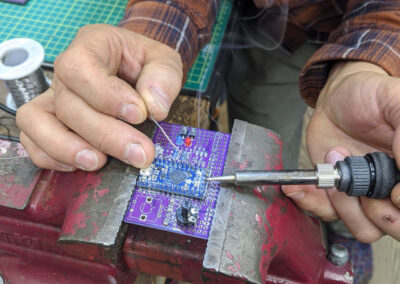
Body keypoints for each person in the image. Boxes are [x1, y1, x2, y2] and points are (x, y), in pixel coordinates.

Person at [15, 0, 400, 278]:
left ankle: (340, 238)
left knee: (357, 179)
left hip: (346, 19)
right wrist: (148, 43)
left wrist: (371, 59)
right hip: (266, 29)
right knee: (270, 153)